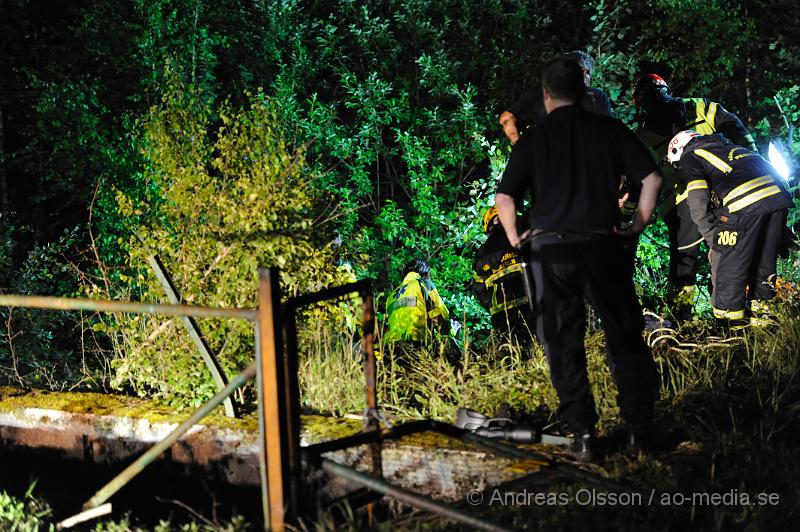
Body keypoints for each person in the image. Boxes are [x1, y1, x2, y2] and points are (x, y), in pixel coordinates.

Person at [494, 56, 663, 461]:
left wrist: (518, 237)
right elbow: (652, 178)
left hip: (550, 252)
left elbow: (505, 196)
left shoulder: (534, 140)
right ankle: (640, 434)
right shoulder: (607, 128)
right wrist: (636, 226)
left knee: (563, 343)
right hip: (602, 245)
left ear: (547, 96)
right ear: (584, 90)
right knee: (624, 337)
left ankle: (585, 438)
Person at [632, 73, 757, 318]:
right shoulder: (699, 106)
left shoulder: (642, 136)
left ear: (641, 103)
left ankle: (682, 316)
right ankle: (731, 310)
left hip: (685, 203)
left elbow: (641, 181)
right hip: (721, 191)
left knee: (686, 261)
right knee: (728, 249)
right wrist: (753, 163)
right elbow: (736, 130)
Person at [664, 130, 792, 326]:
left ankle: (730, 331)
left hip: (745, 203)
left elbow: (698, 203)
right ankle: (764, 325)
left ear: (679, 149)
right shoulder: (730, 147)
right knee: (763, 265)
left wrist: (713, 239)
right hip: (778, 198)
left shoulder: (691, 154)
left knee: (729, 269)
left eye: (678, 166)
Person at [499, 50, 612, 144]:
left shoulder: (543, 92)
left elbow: (507, 118)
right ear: (583, 71)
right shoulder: (597, 96)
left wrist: (520, 146)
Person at [473, 206, 535, 344]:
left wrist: (493, 306)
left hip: (502, 314)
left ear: (488, 227)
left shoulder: (483, 252)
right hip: (531, 304)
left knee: (513, 354)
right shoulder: (525, 236)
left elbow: (479, 289)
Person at [384, 258, 450, 343]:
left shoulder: (390, 296)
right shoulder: (423, 283)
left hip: (392, 345)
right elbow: (438, 314)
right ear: (424, 274)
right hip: (416, 342)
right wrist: (448, 333)